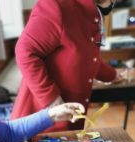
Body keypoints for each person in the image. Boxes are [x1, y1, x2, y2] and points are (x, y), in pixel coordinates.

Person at [11, 0, 123, 132]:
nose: (113, 3)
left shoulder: (91, 12)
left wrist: (113, 75)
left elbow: (88, 57)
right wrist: (52, 100)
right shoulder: (56, 5)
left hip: (68, 117)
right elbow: (25, 51)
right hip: (43, 116)